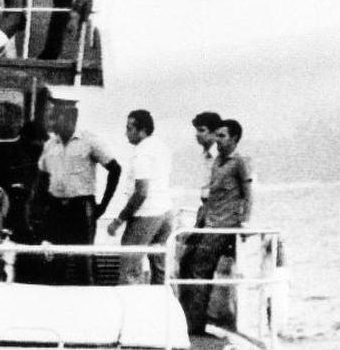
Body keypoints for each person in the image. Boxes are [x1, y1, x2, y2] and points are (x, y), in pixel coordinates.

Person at [29, 99, 121, 283]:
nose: (52, 121)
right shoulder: (50, 145)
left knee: (84, 262)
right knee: (55, 260)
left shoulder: (89, 141)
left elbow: (115, 169)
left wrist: (102, 206)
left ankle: (89, 304)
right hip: (56, 209)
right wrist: (34, 208)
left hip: (80, 209)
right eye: (51, 116)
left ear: (71, 118)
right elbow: (41, 178)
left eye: (57, 117)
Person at [179, 119, 255, 335]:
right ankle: (187, 318)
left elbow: (248, 195)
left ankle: (196, 325)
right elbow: (212, 195)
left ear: (234, 139)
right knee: (186, 262)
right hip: (209, 221)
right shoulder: (218, 162)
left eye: (222, 136)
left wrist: (243, 223)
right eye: (218, 135)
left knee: (200, 269)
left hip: (223, 225)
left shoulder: (240, 162)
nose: (218, 140)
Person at [106, 109, 174, 284]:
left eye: (129, 128)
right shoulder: (160, 147)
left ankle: (131, 309)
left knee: (128, 268)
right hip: (164, 213)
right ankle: (164, 307)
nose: (126, 132)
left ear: (141, 130)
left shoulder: (142, 153)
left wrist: (118, 220)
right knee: (160, 268)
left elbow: (142, 192)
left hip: (146, 215)